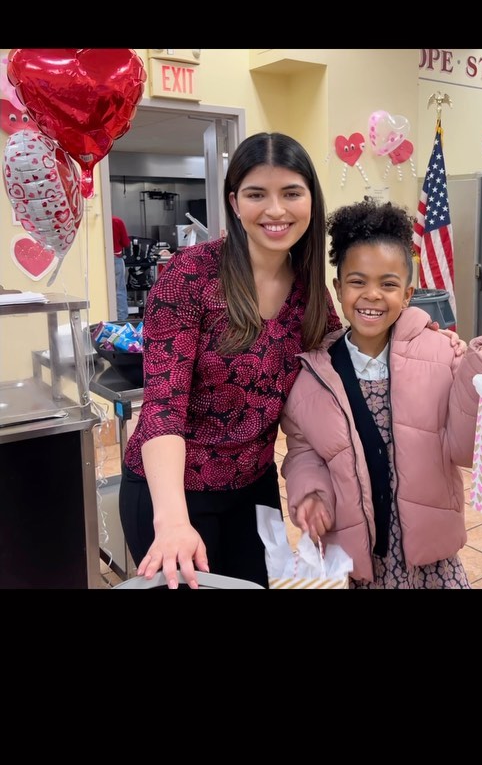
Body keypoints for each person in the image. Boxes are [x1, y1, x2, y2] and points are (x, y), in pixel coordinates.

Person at [118, 132, 343, 589]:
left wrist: (430, 344)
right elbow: (162, 408)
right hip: (172, 493)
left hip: (253, 489)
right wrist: (173, 521)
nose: (276, 210)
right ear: (234, 202)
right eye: (257, 194)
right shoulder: (190, 276)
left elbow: (346, 369)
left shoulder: (310, 294)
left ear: (311, 202)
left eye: (291, 193)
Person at [280, 200, 482, 589]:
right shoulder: (313, 376)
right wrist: (311, 494)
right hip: (360, 552)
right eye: (358, 281)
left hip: (431, 556)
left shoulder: (443, 353)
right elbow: (304, 453)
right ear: (338, 287)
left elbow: (464, 449)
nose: (372, 295)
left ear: (409, 293)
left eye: (388, 284)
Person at [112, 214, 131, 323]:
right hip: (116, 257)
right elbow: (126, 243)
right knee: (119, 289)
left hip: (98, 258)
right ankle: (121, 320)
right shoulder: (117, 221)